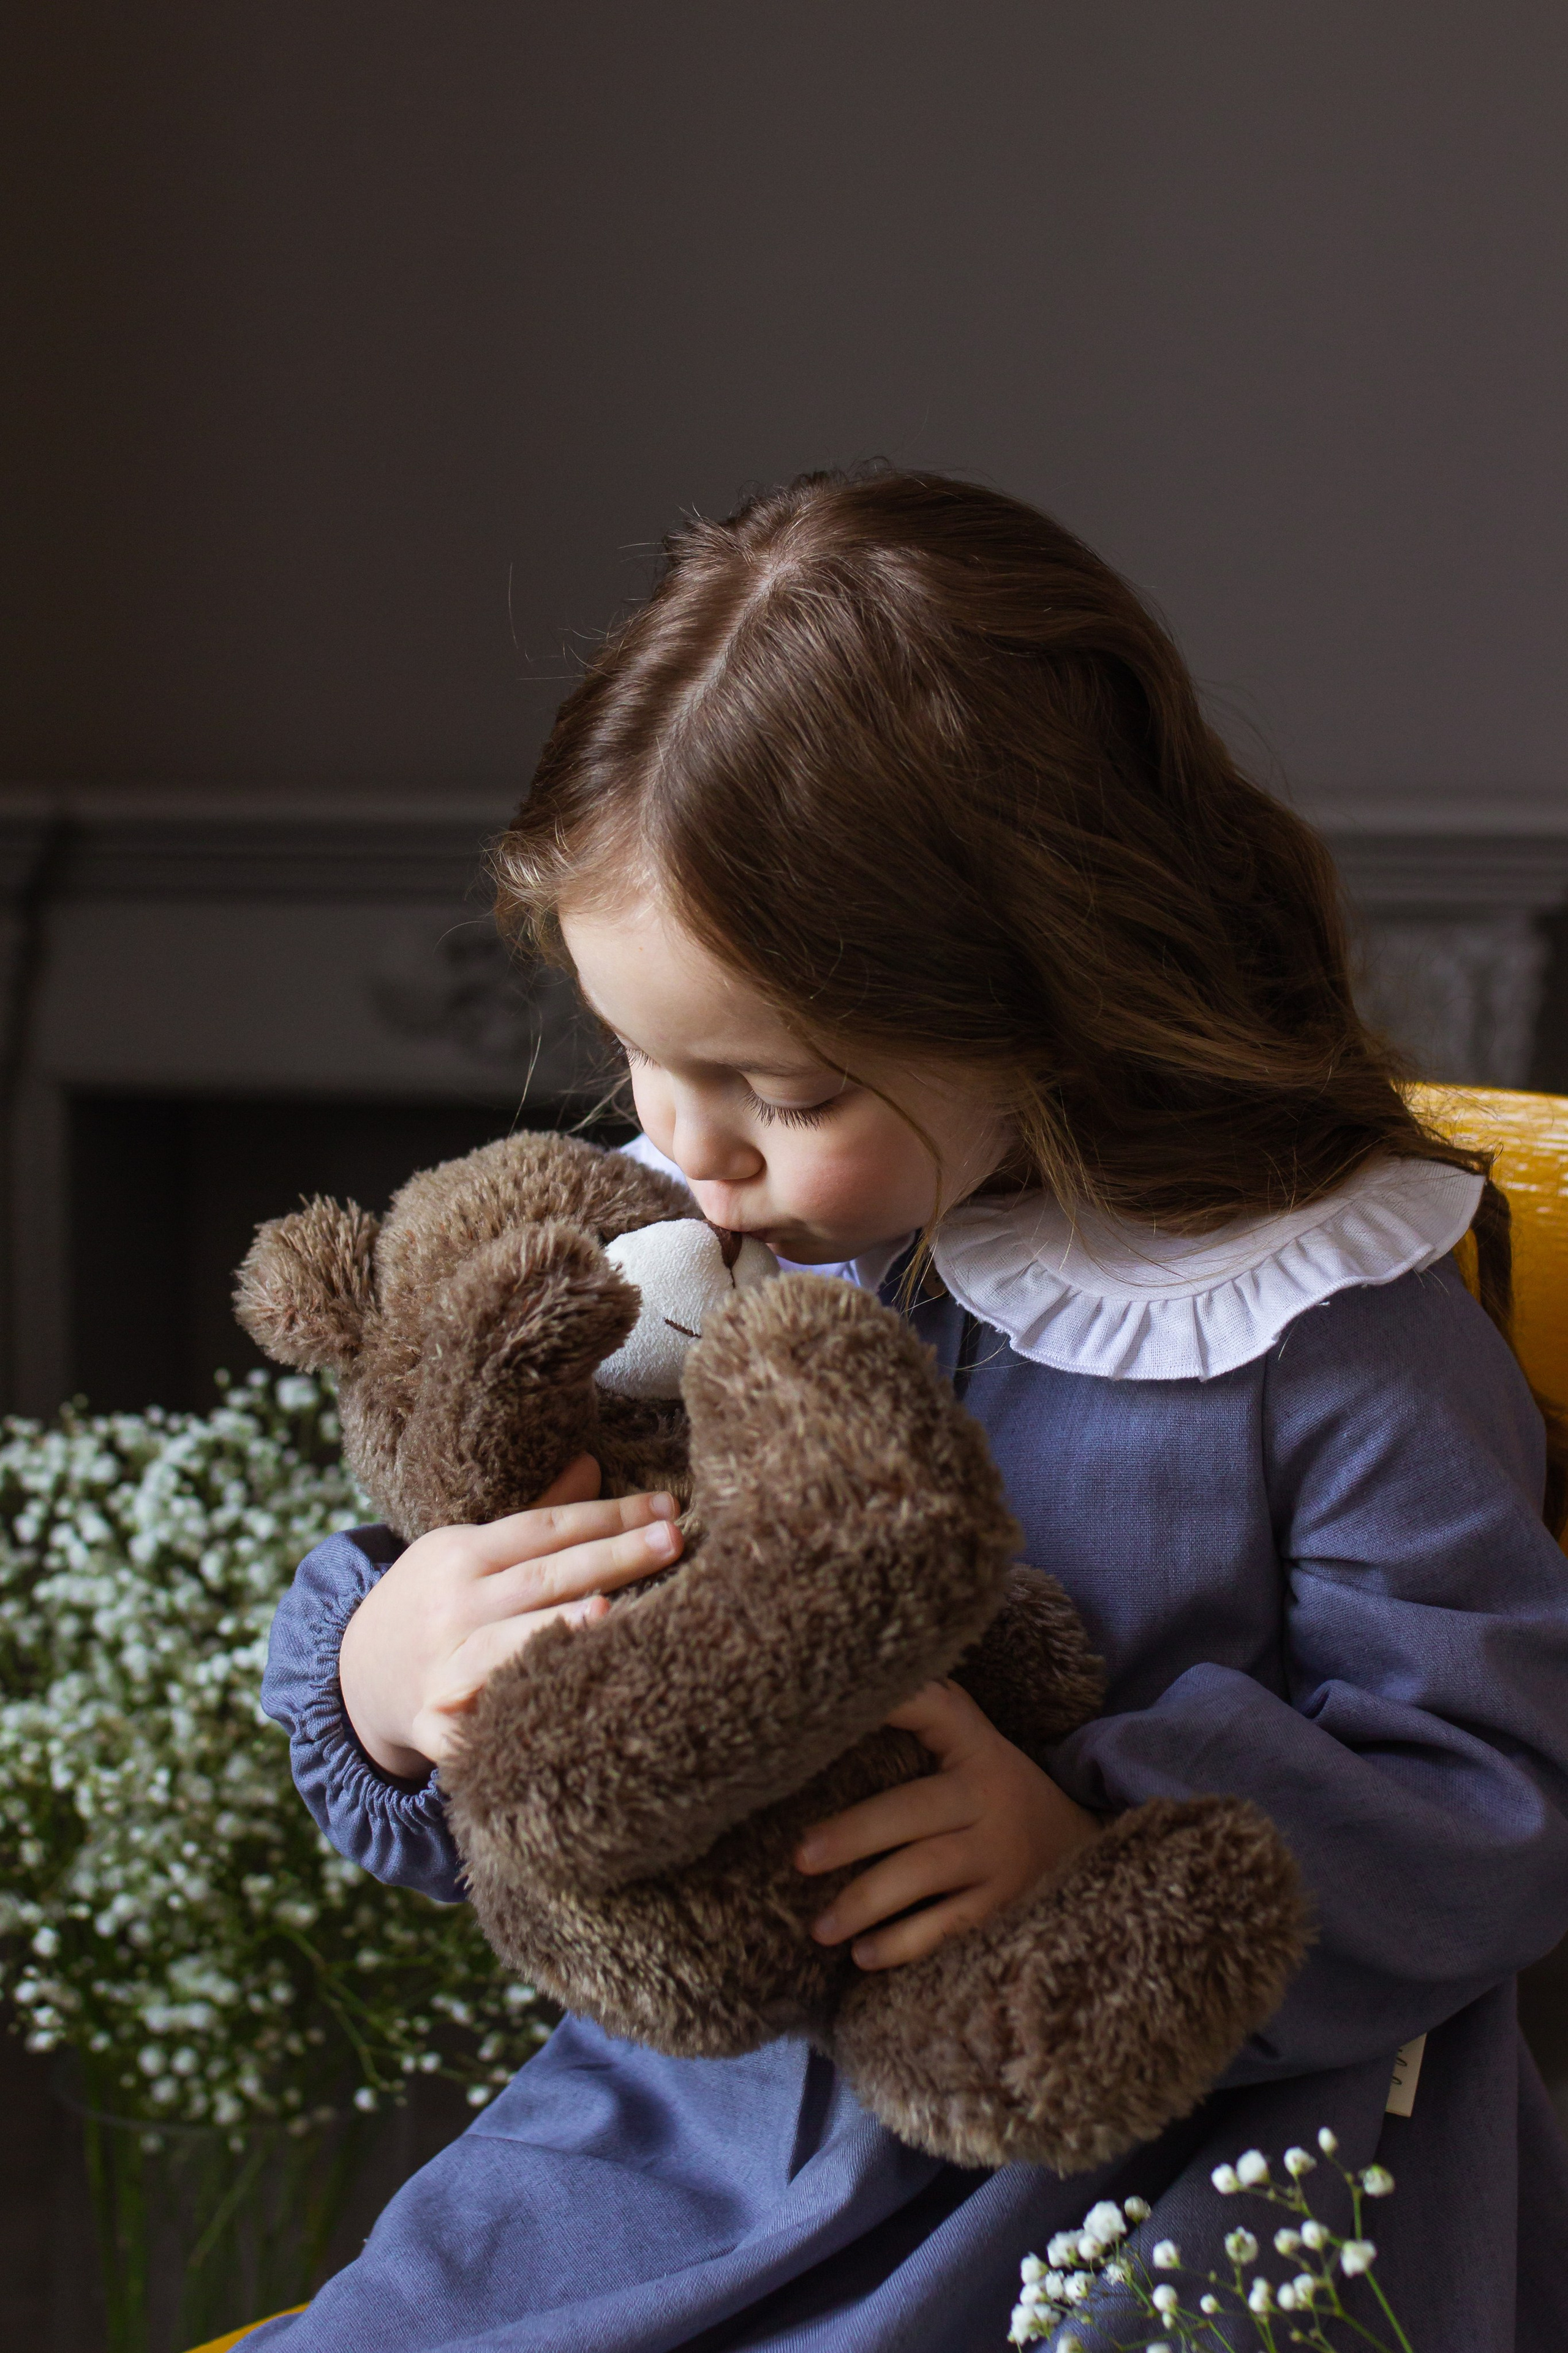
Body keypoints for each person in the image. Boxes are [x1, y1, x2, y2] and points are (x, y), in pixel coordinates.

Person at [257, 469, 1568, 2352]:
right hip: (684, 2139)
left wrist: (1083, 1839)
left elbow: (1499, 1792)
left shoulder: (1322, 1331)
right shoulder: (684, 1256)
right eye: (643, 1052)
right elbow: (533, 1674)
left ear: (1057, 995)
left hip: (1157, 2160)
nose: (690, 1148)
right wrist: (393, 1668)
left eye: (781, 1090)